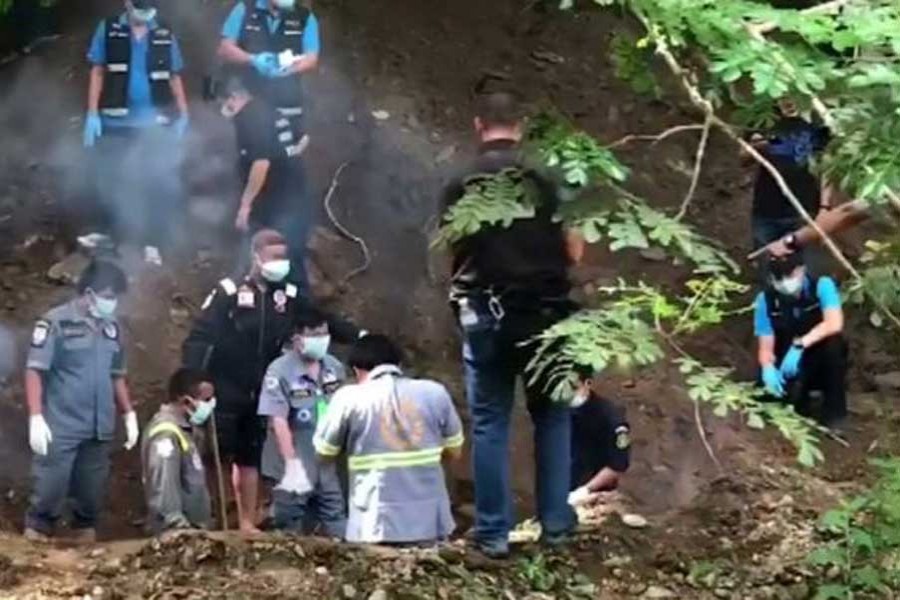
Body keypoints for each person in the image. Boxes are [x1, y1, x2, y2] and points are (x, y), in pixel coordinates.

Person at [440, 91, 584, 557]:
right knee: (553, 417)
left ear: (478, 125)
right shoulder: (549, 177)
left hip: (485, 312)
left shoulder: (459, 181)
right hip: (545, 313)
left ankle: (492, 533)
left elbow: (454, 249)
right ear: (519, 126)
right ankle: (556, 526)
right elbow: (574, 251)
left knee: (489, 422)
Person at [181, 229, 358, 534]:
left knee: (250, 458)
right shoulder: (229, 292)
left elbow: (320, 319)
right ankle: (216, 518)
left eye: (284, 257)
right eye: (275, 257)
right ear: (256, 256)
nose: (281, 263)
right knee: (219, 455)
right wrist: (196, 381)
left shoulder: (287, 295)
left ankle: (246, 521)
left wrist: (359, 336)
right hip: (226, 385)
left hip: (262, 388)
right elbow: (199, 337)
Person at [24, 260, 138, 543]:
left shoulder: (112, 328)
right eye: (109, 296)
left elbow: (117, 374)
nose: (113, 303)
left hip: (99, 424)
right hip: (62, 422)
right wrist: (36, 416)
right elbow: (35, 370)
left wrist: (128, 413)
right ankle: (38, 531)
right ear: (89, 293)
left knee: (91, 489)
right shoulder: (55, 322)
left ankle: (84, 537)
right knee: (51, 484)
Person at [314, 335, 464, 545]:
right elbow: (455, 451)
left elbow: (323, 452)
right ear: (398, 364)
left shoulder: (349, 398)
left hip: (373, 522)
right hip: (429, 521)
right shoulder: (435, 393)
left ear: (357, 370)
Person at [258, 310, 347, 537]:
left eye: (324, 334)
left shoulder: (334, 367)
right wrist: (291, 463)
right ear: (297, 339)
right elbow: (277, 419)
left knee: (336, 516)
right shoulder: (279, 370)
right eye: (315, 335)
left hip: (327, 462)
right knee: (289, 525)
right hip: (293, 460)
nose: (321, 340)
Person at [220, 78, 311, 286]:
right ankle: (294, 298)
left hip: (275, 197)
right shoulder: (270, 110)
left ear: (235, 97)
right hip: (295, 192)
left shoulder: (249, 117)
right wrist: (287, 158)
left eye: (224, 102)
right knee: (291, 253)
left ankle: (258, 293)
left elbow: (261, 163)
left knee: (266, 248)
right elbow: (303, 139)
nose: (224, 109)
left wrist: (245, 205)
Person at [754, 253, 848, 428]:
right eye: (779, 278)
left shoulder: (822, 285)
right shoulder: (766, 300)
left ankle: (834, 415)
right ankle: (795, 402)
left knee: (834, 345)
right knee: (766, 392)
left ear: (801, 270)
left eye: (789, 275)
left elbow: (834, 323)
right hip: (785, 357)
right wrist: (767, 367)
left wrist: (800, 345)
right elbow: (766, 345)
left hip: (815, 353)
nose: (784, 283)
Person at [218, 0, 320, 137]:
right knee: (251, 146)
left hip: (288, 104)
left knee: (288, 148)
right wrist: (253, 59)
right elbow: (224, 49)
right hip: (247, 101)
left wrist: (286, 70)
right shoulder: (244, 9)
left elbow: (311, 59)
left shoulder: (305, 17)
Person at [745, 97, 832, 252]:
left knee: (800, 262)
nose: (788, 101)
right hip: (766, 208)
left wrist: (825, 207)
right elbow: (742, 159)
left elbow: (829, 166)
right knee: (765, 258)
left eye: (793, 95)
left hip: (803, 208)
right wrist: (758, 146)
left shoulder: (816, 121)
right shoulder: (763, 117)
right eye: (783, 97)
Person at [141, 368, 214, 535]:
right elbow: (164, 483)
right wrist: (177, 526)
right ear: (186, 401)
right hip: (179, 534)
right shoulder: (165, 434)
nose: (210, 405)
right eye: (206, 400)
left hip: (194, 530)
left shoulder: (186, 430)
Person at [566, 372, 631, 508]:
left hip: (596, 496)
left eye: (574, 387)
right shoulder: (560, 411)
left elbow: (617, 465)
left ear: (587, 384)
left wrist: (584, 491)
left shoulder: (610, 417)